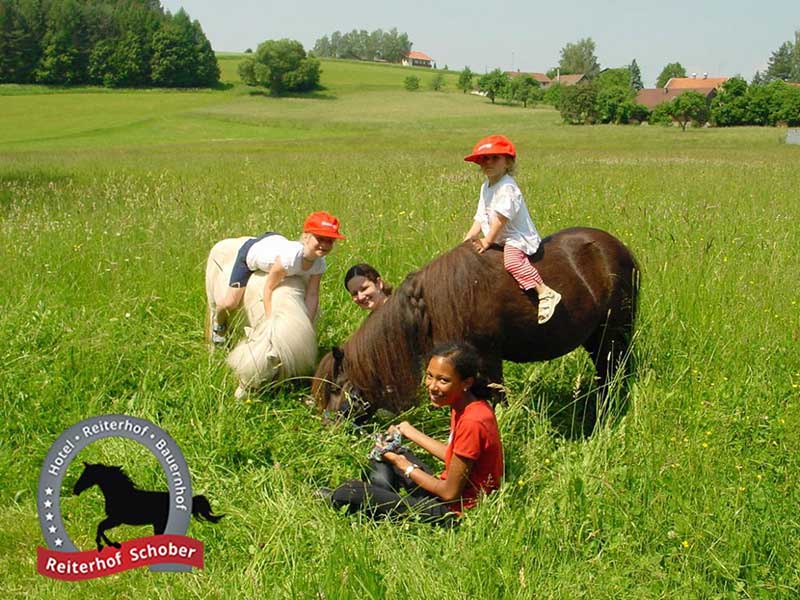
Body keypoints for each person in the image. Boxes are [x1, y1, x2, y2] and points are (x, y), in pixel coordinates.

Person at [319, 342, 504, 523]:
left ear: (466, 383)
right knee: (391, 450)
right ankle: (381, 502)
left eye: (443, 380)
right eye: (430, 376)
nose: (432, 386)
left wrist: (402, 464)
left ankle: (376, 503)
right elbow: (453, 456)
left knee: (349, 491)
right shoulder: (466, 405)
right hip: (450, 496)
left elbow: (449, 493)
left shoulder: (472, 421)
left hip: (453, 511)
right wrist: (409, 431)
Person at [462, 134, 562, 324]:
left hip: (516, 237)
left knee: (512, 263)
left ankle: (544, 292)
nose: (488, 162)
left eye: (495, 158)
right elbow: (480, 216)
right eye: (484, 159)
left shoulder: (507, 187)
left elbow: (501, 219)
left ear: (507, 162)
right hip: (500, 237)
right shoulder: (486, 186)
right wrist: (469, 239)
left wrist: (486, 240)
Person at [211, 211, 346, 345]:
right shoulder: (289, 259)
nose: (325, 245)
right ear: (306, 237)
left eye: (330, 241)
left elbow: (312, 294)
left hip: (275, 241)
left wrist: (307, 326)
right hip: (251, 250)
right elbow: (268, 288)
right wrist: (271, 320)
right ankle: (219, 326)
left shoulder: (320, 263)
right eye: (320, 239)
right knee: (230, 302)